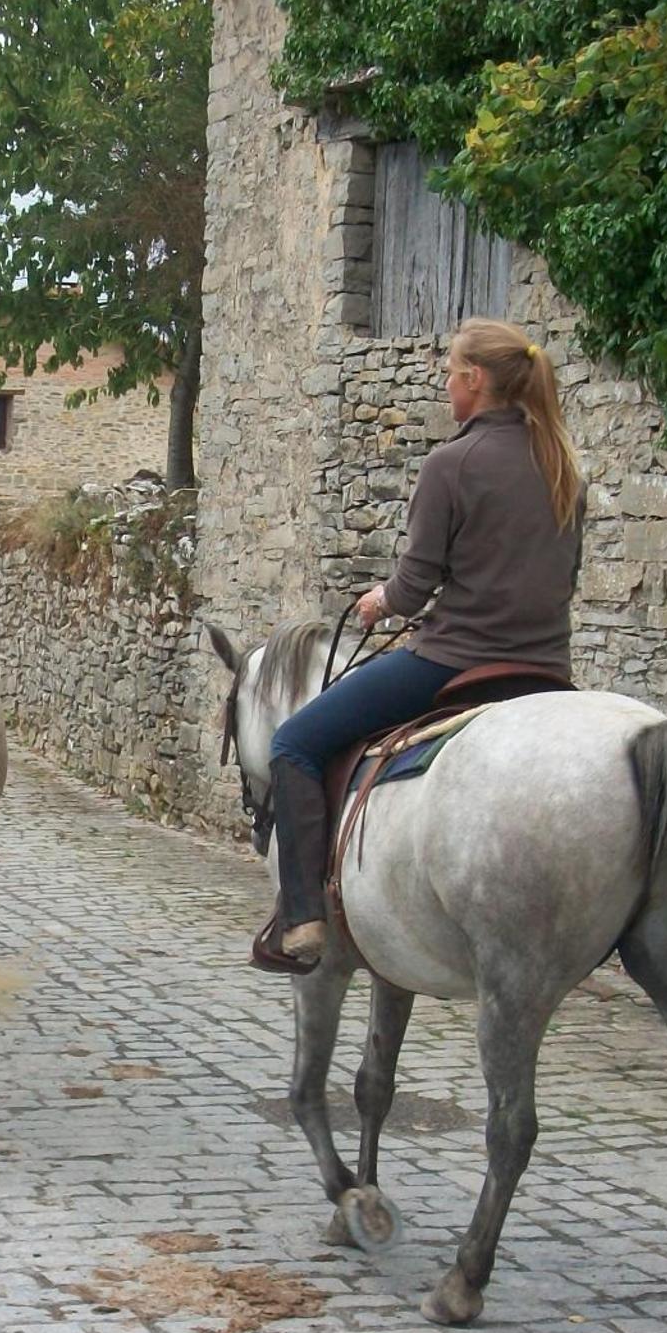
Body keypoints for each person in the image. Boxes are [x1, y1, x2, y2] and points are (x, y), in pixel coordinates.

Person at [263, 317, 585, 971]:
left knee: (293, 742)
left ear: (473, 381)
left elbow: (414, 587)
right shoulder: (561, 465)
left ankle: (302, 917)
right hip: (546, 669)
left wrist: (380, 601)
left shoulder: (452, 462)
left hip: (454, 661)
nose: (445, 386)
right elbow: (564, 578)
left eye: (449, 375)